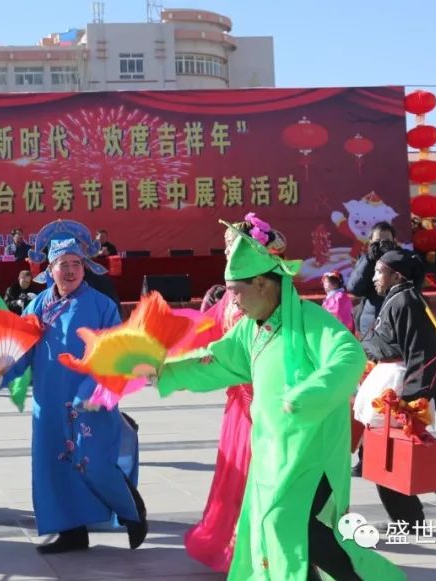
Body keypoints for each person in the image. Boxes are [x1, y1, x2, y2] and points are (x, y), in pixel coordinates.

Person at [154, 222, 404, 580]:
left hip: (312, 451)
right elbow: (216, 361)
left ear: (261, 284)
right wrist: (164, 370)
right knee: (279, 530)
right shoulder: (249, 329)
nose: (233, 301)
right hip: (272, 450)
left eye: (236, 292)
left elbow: (347, 356)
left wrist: (311, 393)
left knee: (297, 526)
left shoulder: (309, 320)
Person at [0, 230, 146, 554]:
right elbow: (20, 350)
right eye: (63, 264)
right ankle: (71, 532)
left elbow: (115, 353)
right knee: (55, 467)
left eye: (76, 264)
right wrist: (1, 372)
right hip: (49, 402)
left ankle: (132, 513)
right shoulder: (37, 304)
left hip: (90, 400)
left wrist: (93, 391)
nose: (71, 270)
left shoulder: (101, 305)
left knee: (95, 464)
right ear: (50, 270)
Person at [182, 212, 287, 573]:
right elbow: (207, 331)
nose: (227, 252)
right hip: (238, 402)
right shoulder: (231, 295)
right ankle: (236, 547)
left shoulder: (270, 290)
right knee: (237, 472)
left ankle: (266, 549)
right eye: (226, 247)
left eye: (234, 246)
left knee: (264, 473)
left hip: (268, 398)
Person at [356, 249, 436, 527]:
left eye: (380, 271)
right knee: (378, 452)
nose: (375, 277)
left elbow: (422, 351)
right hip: (388, 375)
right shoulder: (397, 298)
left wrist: (413, 399)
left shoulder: (406, 302)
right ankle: (431, 491)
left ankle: (410, 516)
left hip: (398, 383)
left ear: (396, 275)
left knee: (380, 453)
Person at [346, 222, 400, 337]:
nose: (381, 245)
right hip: (371, 323)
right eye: (377, 242)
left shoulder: (402, 259)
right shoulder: (366, 260)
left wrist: (395, 258)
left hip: (396, 321)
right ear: (370, 241)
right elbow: (354, 288)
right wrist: (369, 261)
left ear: (394, 241)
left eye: (386, 242)